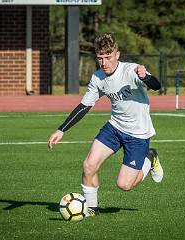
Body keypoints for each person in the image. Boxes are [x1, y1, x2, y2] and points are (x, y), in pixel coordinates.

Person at [48, 32, 164, 217]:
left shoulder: (131, 71)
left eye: (108, 57)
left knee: (125, 185)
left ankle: (150, 158)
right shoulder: (98, 78)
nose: (104, 62)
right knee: (89, 165)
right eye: (100, 58)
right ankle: (92, 209)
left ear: (117, 55)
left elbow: (158, 86)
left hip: (138, 135)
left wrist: (146, 77)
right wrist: (62, 129)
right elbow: (84, 106)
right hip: (114, 128)